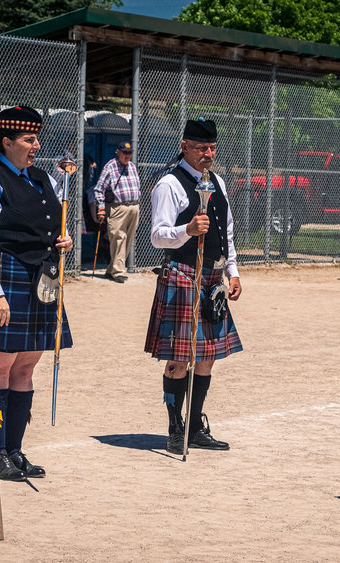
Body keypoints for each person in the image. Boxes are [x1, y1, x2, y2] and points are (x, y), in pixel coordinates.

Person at [0, 106, 73, 482]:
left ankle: (15, 450)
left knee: (27, 364)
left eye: (37, 138)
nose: (37, 145)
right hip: (7, 277)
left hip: (42, 280)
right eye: (29, 139)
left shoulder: (42, 178)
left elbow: (50, 222)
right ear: (7, 142)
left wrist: (62, 241)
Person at [145, 118, 242, 454]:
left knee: (207, 358)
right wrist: (186, 229)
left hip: (213, 277)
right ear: (185, 145)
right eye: (201, 147)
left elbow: (226, 230)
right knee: (178, 358)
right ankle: (175, 428)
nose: (208, 153)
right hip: (183, 275)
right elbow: (157, 236)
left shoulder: (218, 181)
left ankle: (196, 425)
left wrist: (233, 271)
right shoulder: (169, 184)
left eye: (212, 147)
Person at [93, 140, 140, 283]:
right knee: (119, 238)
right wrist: (101, 209)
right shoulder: (110, 167)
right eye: (124, 153)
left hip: (134, 207)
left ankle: (111, 269)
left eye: (129, 153)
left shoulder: (132, 166)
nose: (127, 156)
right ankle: (119, 271)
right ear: (118, 152)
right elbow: (99, 189)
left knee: (128, 240)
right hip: (117, 208)